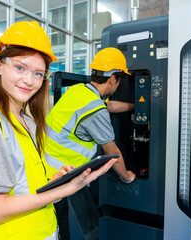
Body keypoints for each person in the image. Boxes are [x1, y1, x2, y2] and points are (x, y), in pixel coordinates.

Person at [0, 21, 116, 240]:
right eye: (20, 68)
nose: (29, 80)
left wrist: (55, 180)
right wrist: (66, 189)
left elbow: (27, 187)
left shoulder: (28, 121)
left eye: (38, 74)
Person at [44, 47, 136, 239]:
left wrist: (136, 107)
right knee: (65, 226)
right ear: (113, 79)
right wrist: (127, 176)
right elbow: (112, 151)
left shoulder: (79, 91)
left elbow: (108, 105)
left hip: (44, 167)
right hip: (60, 175)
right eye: (119, 80)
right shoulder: (94, 110)